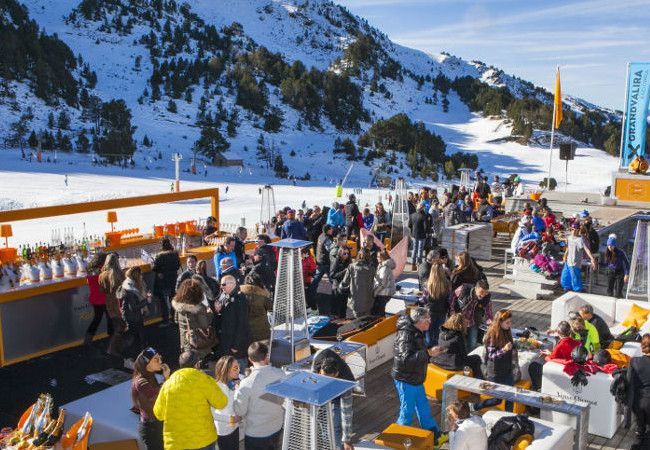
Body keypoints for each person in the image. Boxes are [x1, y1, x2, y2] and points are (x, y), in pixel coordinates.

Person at [391, 307, 446, 445]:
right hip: (406, 379)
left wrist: (430, 353)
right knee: (406, 412)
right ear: (419, 321)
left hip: (416, 379)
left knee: (424, 408)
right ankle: (398, 441)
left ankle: (435, 437)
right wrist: (428, 354)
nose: (430, 321)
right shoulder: (406, 335)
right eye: (427, 319)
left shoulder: (417, 331)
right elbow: (405, 360)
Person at [153, 351, 227, 450]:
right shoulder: (204, 379)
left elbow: (159, 414)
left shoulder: (168, 383)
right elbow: (221, 403)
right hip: (203, 440)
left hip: (176, 444)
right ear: (197, 364)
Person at [234, 342, 285, 450]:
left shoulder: (247, 383)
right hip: (277, 427)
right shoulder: (280, 373)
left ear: (250, 359)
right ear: (267, 356)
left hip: (256, 433)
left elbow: (240, 411)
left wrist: (237, 392)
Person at [476, 309, 516, 412]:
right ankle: (476, 406)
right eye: (507, 322)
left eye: (510, 322)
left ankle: (510, 420)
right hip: (495, 372)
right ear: (500, 322)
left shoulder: (507, 331)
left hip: (507, 370)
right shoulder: (492, 335)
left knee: (510, 398)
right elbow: (491, 356)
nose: (510, 324)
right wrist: (504, 350)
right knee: (497, 400)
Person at [132, 348, 170, 450]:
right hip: (151, 428)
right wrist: (166, 378)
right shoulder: (141, 381)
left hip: (157, 424)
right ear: (147, 364)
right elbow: (158, 396)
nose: (160, 361)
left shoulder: (151, 376)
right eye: (156, 359)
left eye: (160, 358)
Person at [317, 357, 354, 450]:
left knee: (334, 426)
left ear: (336, 374)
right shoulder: (315, 368)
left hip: (337, 398)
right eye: (323, 377)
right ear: (319, 371)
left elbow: (347, 412)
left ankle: (335, 447)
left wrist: (347, 440)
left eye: (328, 379)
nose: (325, 382)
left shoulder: (346, 382)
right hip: (320, 394)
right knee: (321, 422)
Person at [173, 279, 216, 361]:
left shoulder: (178, 305)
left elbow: (176, 320)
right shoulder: (198, 308)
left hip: (185, 343)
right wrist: (210, 314)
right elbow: (205, 325)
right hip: (198, 344)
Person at [431, 314, 483, 379]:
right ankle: (479, 379)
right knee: (476, 358)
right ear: (461, 324)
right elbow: (463, 355)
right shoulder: (458, 337)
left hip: (438, 361)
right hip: (452, 364)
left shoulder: (441, 333)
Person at [117, 266, 152, 359]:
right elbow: (134, 307)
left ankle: (134, 355)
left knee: (137, 336)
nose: (142, 276)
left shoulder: (130, 285)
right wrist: (147, 301)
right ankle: (130, 356)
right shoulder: (130, 289)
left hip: (132, 315)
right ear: (136, 276)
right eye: (140, 274)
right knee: (135, 337)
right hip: (132, 316)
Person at [216, 275, 250, 370]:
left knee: (239, 372)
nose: (221, 287)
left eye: (223, 284)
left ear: (232, 284)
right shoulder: (227, 297)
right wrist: (219, 311)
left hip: (237, 348)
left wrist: (236, 345)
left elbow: (242, 324)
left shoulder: (240, 299)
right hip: (228, 344)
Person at [449, 280, 493, 351]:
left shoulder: (486, 297)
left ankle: (469, 359)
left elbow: (489, 312)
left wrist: (491, 323)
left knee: (472, 343)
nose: (483, 295)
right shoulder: (463, 288)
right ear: (476, 288)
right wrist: (452, 311)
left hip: (473, 321)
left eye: (485, 293)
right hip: (458, 320)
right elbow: (452, 297)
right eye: (481, 292)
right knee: (456, 341)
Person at [98, 253, 125, 358]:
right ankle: (111, 349)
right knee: (120, 327)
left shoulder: (102, 275)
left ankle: (118, 346)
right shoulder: (120, 274)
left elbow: (101, 291)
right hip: (119, 302)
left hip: (109, 303)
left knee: (116, 325)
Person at [212, 356, 242, 450]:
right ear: (226, 370)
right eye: (235, 368)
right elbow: (212, 414)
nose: (239, 370)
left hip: (235, 426)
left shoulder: (232, 382)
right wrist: (232, 419)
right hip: (224, 430)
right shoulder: (216, 388)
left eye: (239, 367)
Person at [627, 334, 650, 450]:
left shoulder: (634, 361)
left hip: (638, 402)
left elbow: (629, 381)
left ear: (642, 346)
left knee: (640, 427)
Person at [84, 252, 111, 347]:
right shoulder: (103, 271)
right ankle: (113, 340)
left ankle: (87, 340)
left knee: (97, 319)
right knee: (110, 318)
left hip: (95, 298)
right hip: (104, 298)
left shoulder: (90, 270)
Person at [152, 238, 181, 325]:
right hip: (173, 280)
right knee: (173, 299)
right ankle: (174, 318)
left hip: (163, 281)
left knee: (164, 302)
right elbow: (177, 266)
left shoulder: (159, 256)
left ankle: (166, 320)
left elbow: (154, 268)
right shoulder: (175, 254)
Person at [561, 223, 597, 292]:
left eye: (575, 230)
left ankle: (578, 291)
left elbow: (586, 249)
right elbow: (568, 247)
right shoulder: (569, 237)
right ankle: (567, 288)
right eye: (572, 229)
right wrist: (565, 255)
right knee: (565, 277)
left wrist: (592, 259)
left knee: (575, 279)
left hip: (575, 263)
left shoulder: (580, 240)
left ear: (578, 230)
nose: (574, 231)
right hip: (568, 261)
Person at [423, 262, 451, 347]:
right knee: (436, 332)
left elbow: (424, 300)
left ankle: (429, 351)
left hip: (430, 311)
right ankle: (435, 348)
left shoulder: (427, 284)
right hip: (442, 311)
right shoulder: (447, 284)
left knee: (428, 332)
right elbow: (449, 299)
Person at [341, 249, 375, 318]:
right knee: (366, 322)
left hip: (354, 301)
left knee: (355, 323)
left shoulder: (351, 267)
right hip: (368, 301)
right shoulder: (372, 269)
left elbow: (344, 282)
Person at [240, 272, 271, 343]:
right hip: (263, 331)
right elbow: (271, 308)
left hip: (247, 332)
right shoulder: (262, 296)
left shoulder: (239, 295)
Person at [308, 224, 334, 306]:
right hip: (326, 263)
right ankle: (336, 297)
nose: (332, 230)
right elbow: (331, 249)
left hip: (319, 261)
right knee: (333, 280)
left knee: (316, 281)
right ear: (328, 230)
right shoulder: (327, 239)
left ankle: (310, 295)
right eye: (331, 229)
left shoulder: (321, 236)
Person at [604, 234, 630, 298]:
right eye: (608, 245)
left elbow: (627, 263)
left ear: (615, 245)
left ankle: (619, 298)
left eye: (612, 245)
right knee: (609, 291)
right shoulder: (607, 252)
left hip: (620, 272)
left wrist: (626, 274)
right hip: (611, 271)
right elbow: (605, 263)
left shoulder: (621, 252)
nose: (610, 247)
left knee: (618, 292)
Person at [330, 247, 352, 318]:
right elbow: (332, 275)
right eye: (344, 253)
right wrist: (344, 271)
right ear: (340, 253)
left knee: (344, 306)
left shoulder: (349, 262)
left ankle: (343, 318)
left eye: (347, 253)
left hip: (345, 287)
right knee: (336, 307)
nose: (346, 255)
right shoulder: (336, 261)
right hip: (337, 287)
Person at [373, 250, 396, 316]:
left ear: (382, 258)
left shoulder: (384, 268)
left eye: (378, 257)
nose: (376, 258)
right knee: (381, 309)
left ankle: (382, 324)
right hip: (386, 292)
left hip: (384, 293)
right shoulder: (382, 265)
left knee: (379, 311)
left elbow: (382, 283)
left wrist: (375, 292)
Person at [409, 203, 430, 269]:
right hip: (422, 235)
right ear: (423, 208)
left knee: (414, 249)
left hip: (414, 234)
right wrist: (427, 233)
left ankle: (413, 264)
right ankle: (419, 264)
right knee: (420, 250)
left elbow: (409, 225)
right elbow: (425, 226)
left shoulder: (412, 215)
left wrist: (413, 230)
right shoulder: (424, 216)